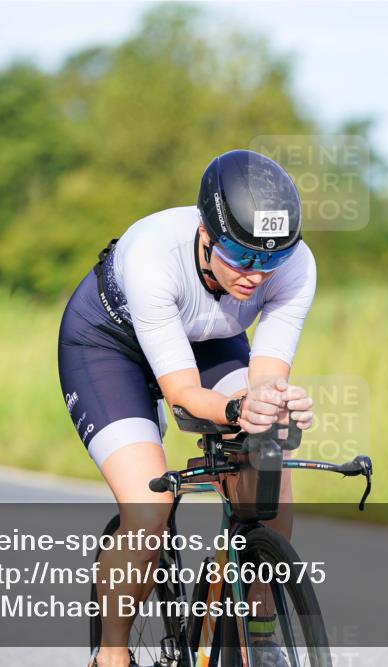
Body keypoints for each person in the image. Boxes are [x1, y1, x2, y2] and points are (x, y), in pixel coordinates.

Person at [57, 149, 317, 667]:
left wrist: (271, 404)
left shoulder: (295, 265)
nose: (256, 275)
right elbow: (182, 397)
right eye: (243, 257)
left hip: (209, 341)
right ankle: (110, 654)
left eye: (271, 260)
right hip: (109, 347)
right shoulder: (155, 254)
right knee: (149, 507)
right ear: (206, 234)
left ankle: (259, 634)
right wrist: (241, 410)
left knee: (271, 473)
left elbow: (265, 377)